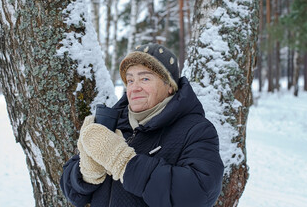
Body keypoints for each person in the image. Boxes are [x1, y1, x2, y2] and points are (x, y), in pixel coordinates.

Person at [60, 43, 224, 207]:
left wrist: (124, 162)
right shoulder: (115, 122)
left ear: (170, 87)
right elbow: (72, 193)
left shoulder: (196, 129)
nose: (134, 88)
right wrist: (87, 172)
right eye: (130, 80)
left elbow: (198, 194)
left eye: (145, 78)